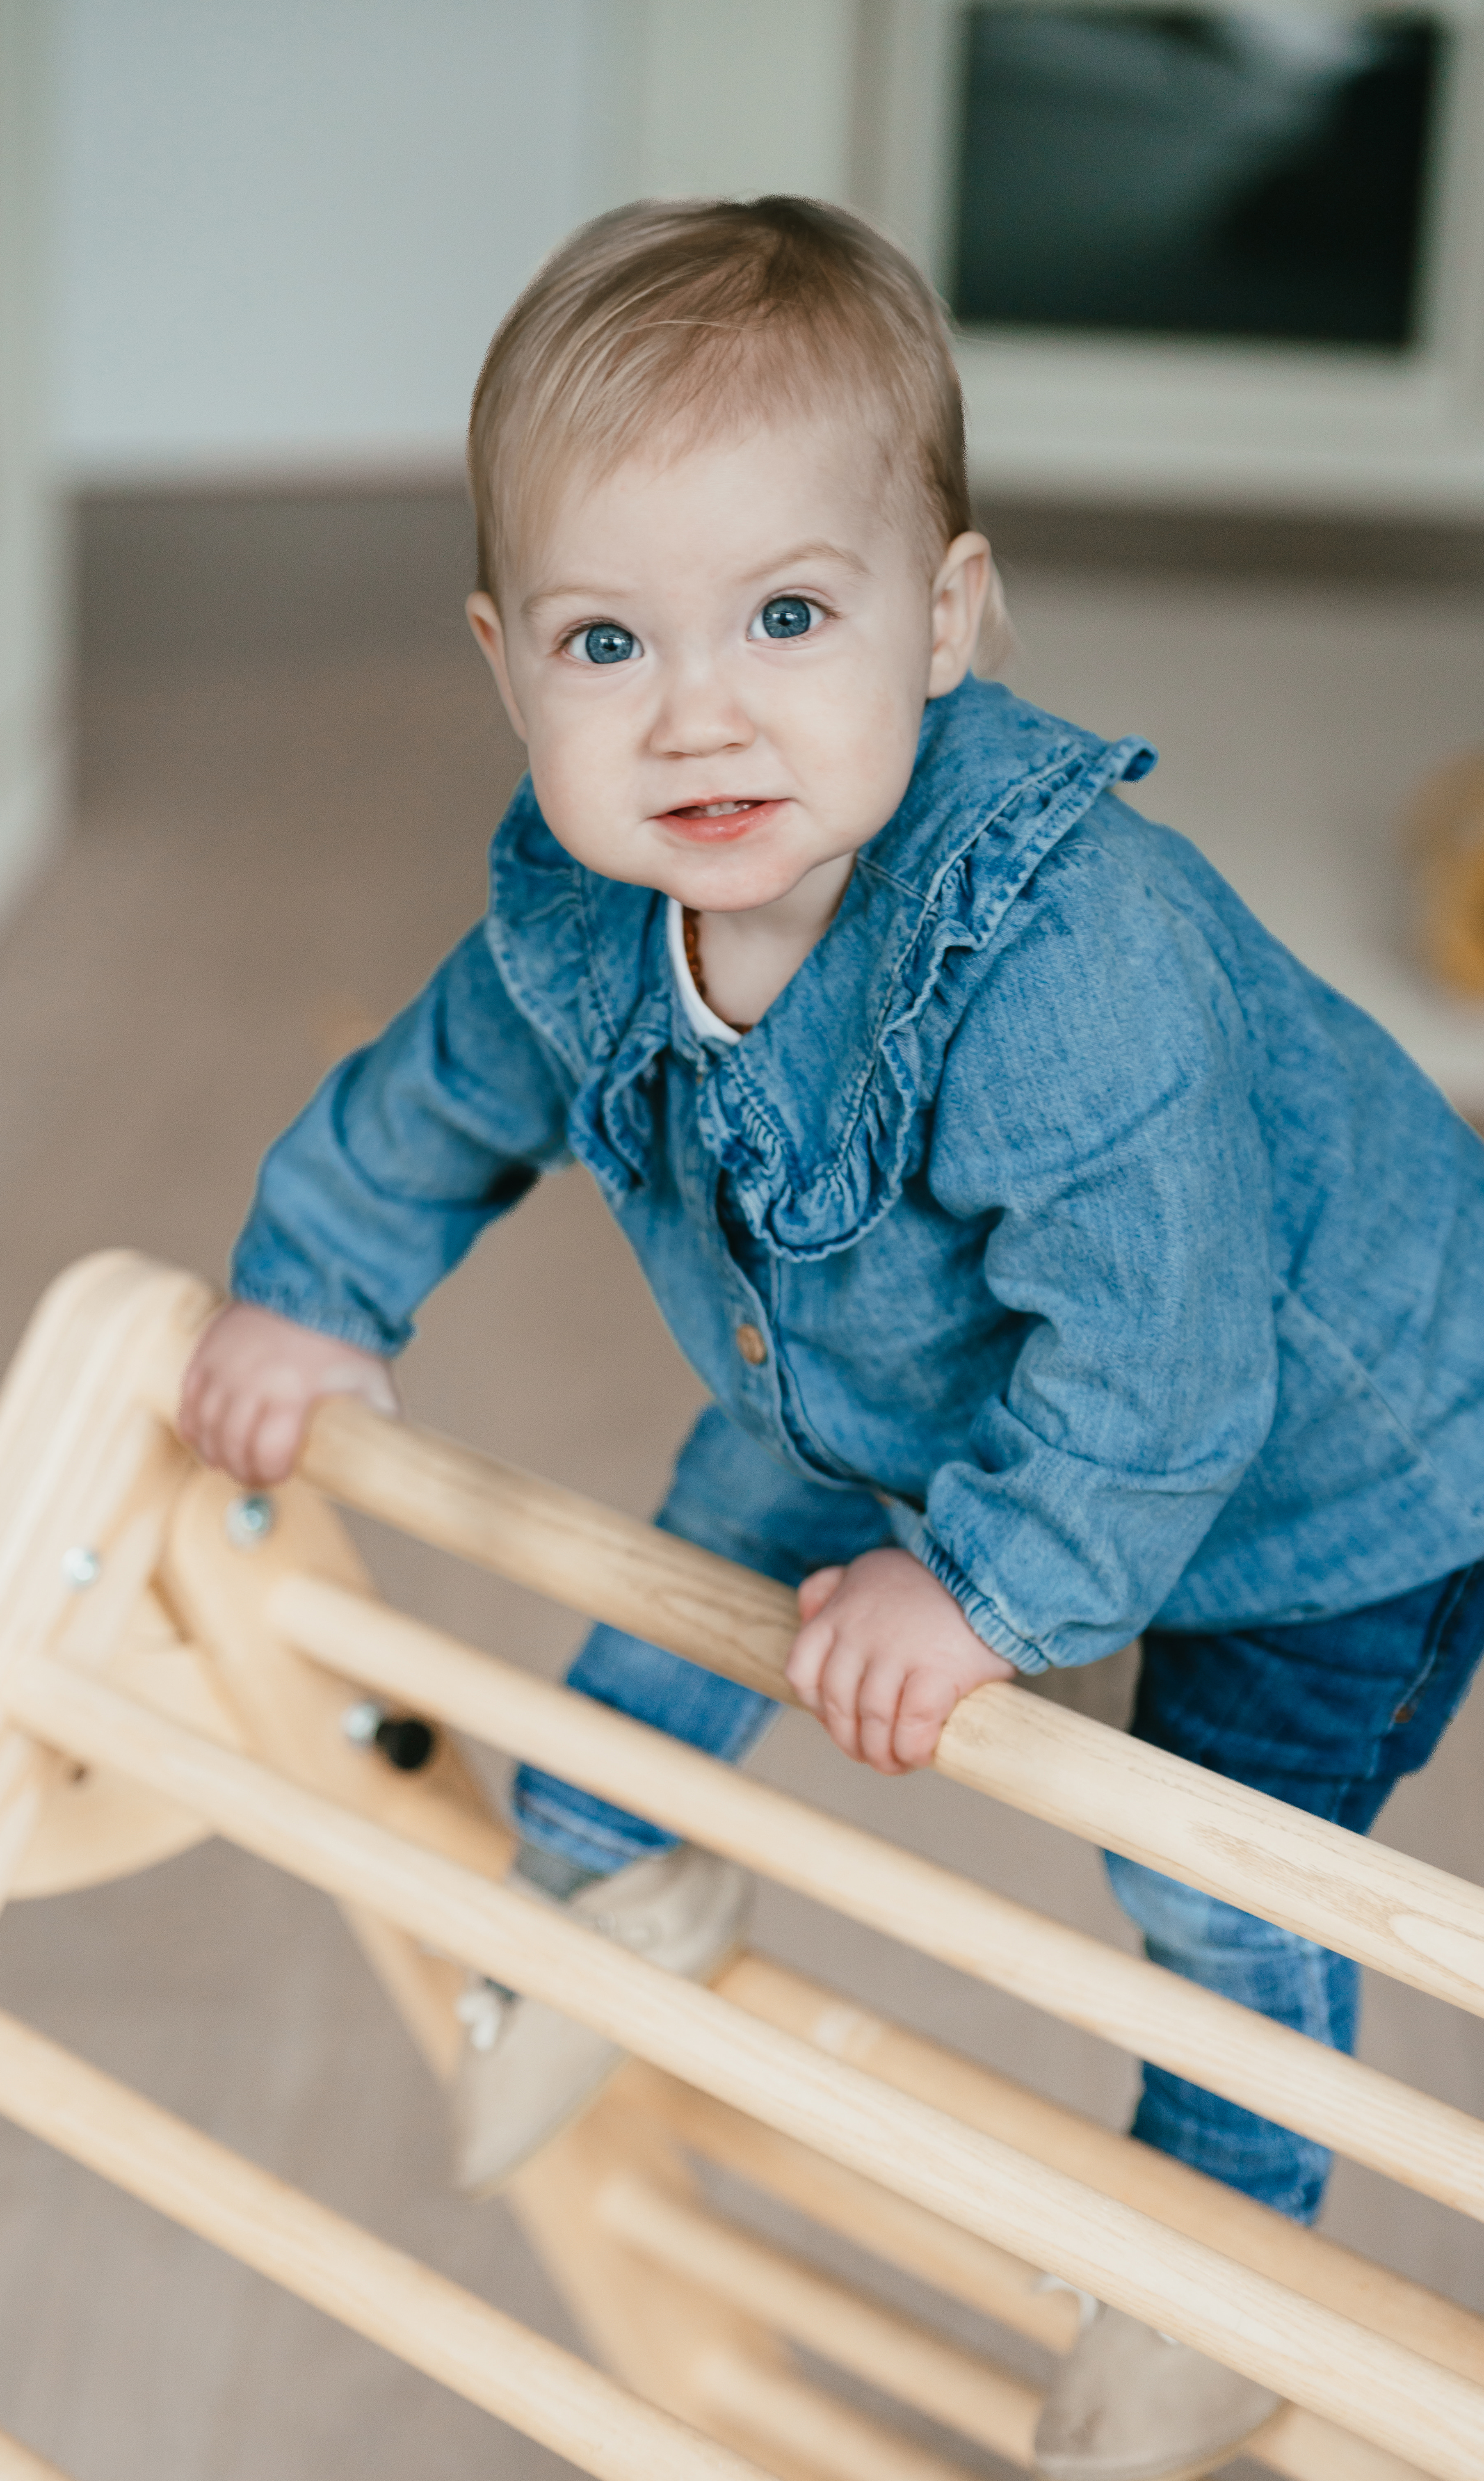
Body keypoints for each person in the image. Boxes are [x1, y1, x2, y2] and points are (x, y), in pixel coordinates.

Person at [178, 196, 1484, 2481]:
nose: (700, 714)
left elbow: (1169, 1375)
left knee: (1206, 1847)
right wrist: (311, 1290)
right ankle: (603, 1889)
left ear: (946, 617)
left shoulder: (1069, 963)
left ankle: (1213, 2255)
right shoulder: (587, 910)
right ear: (504, 663)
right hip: (894, 1381)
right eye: (606, 642)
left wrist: (979, 1594)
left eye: (789, 614)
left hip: (1333, 1459)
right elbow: (431, 1104)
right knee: (696, 1552)